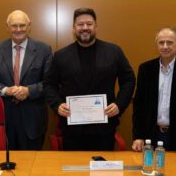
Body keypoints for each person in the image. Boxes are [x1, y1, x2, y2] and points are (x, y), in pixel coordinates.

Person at [44, 8, 136, 151]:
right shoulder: (61, 55)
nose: (85, 28)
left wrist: (119, 104)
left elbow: (129, 79)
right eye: (80, 24)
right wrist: (57, 105)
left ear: (96, 27)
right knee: (74, 172)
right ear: (74, 28)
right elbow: (49, 84)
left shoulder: (113, 51)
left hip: (104, 129)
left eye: (89, 24)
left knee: (102, 172)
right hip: (72, 130)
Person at [0, 10, 53, 150]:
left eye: (22, 25)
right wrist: (5, 90)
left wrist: (29, 90)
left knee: (31, 166)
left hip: (32, 120)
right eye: (14, 26)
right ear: (7, 27)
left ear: (29, 26)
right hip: (4, 119)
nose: (18, 29)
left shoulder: (43, 49)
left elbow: (50, 83)